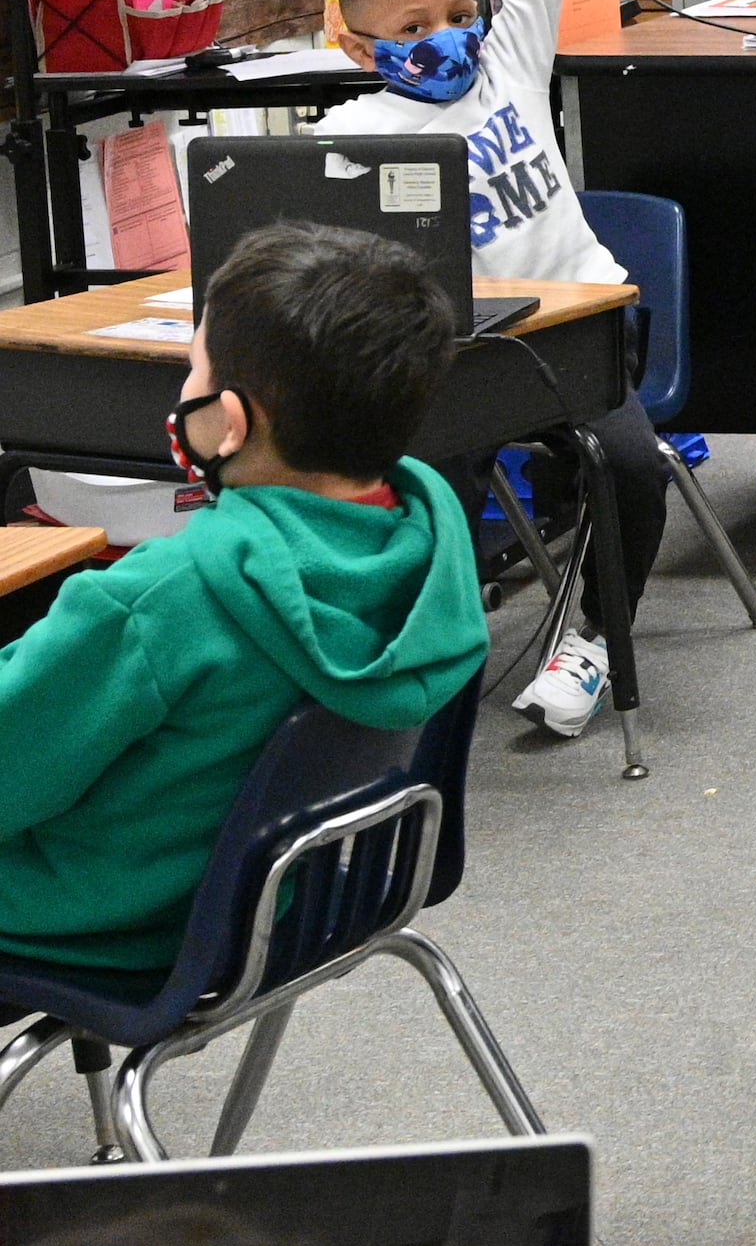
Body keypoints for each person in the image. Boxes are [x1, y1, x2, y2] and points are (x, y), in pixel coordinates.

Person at [0, 223, 485, 975]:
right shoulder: (433, 558)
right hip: (286, 903)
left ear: (229, 420)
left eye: (194, 368)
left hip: (104, 923)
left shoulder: (157, 600)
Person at [318, 0, 660, 742]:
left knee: (631, 467)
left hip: (580, 332)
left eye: (457, 10)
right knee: (412, 483)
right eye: (413, 27)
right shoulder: (344, 139)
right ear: (354, 42)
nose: (445, 36)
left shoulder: (512, 61)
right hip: (449, 362)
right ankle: (428, 651)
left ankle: (592, 637)